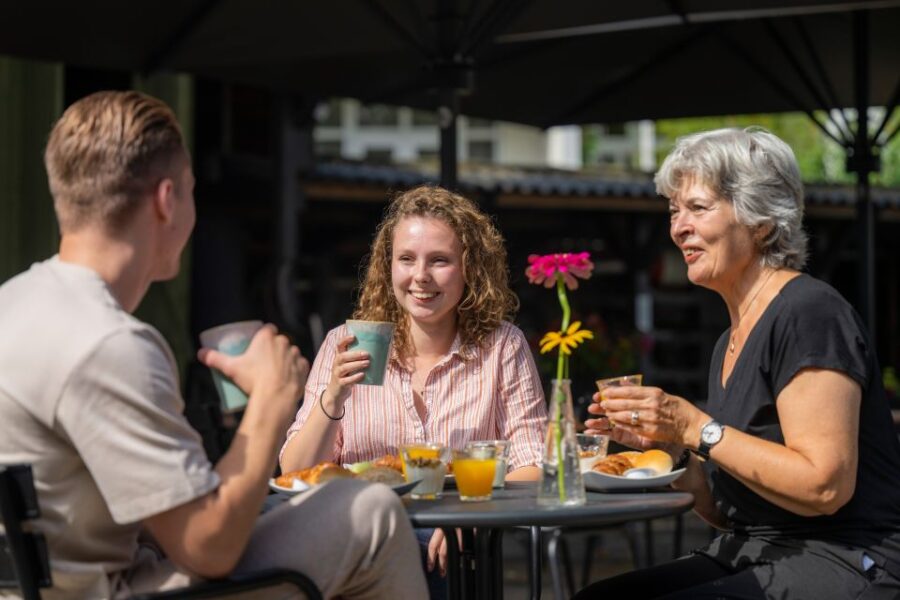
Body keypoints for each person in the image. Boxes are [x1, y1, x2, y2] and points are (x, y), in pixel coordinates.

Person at [0, 90, 427, 599]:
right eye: (191, 192)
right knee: (371, 513)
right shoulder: (110, 345)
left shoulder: (16, 302)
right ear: (167, 200)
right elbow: (209, 546)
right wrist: (271, 400)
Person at [577, 127, 900, 599]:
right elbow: (725, 509)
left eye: (698, 208)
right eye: (674, 209)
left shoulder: (808, 311)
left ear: (761, 221)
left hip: (846, 556)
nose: (678, 226)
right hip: (754, 548)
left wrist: (697, 427)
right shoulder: (730, 339)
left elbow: (825, 485)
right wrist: (668, 447)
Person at [279, 185, 548, 587]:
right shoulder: (346, 344)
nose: (420, 276)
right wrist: (333, 396)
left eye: (439, 261)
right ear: (388, 266)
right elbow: (295, 471)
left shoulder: (501, 346)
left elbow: (534, 464)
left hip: (456, 552)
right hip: (358, 541)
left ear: (470, 268)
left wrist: (470, 515)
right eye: (406, 259)